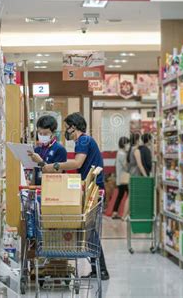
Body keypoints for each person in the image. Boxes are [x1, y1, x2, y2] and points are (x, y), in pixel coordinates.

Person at [42, 112, 109, 280]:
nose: (66, 131)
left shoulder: (83, 140)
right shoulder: (84, 141)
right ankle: (98, 270)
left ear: (74, 127)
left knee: (91, 231)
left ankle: (101, 270)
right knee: (90, 231)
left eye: (67, 128)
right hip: (92, 188)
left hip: (95, 190)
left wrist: (53, 166)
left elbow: (77, 162)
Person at [28, 115, 67, 185]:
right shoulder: (37, 149)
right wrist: (31, 187)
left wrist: (40, 161)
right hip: (38, 187)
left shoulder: (60, 150)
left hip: (52, 187)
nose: (42, 136)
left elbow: (58, 172)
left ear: (53, 133)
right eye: (40, 133)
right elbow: (35, 170)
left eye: (45, 134)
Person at [112, 136, 129, 219]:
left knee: (120, 196)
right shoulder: (122, 154)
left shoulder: (119, 153)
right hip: (123, 179)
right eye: (127, 143)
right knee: (129, 195)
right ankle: (124, 214)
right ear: (124, 144)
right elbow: (126, 167)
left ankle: (115, 213)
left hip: (120, 179)